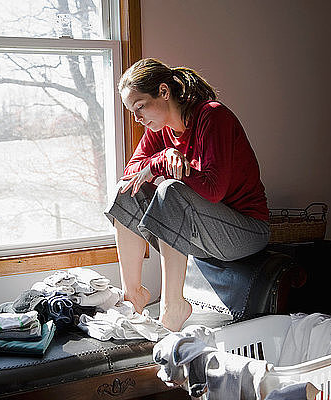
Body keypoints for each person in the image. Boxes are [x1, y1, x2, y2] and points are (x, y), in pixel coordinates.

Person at [105, 58, 270, 331]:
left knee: (170, 190)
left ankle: (174, 306)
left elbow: (214, 191)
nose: (137, 118)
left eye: (140, 107)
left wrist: (160, 165)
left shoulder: (212, 116)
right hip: (203, 232)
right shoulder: (160, 130)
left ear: (164, 92)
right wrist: (163, 156)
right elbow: (131, 173)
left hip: (245, 230)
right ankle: (133, 295)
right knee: (126, 190)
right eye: (132, 112)